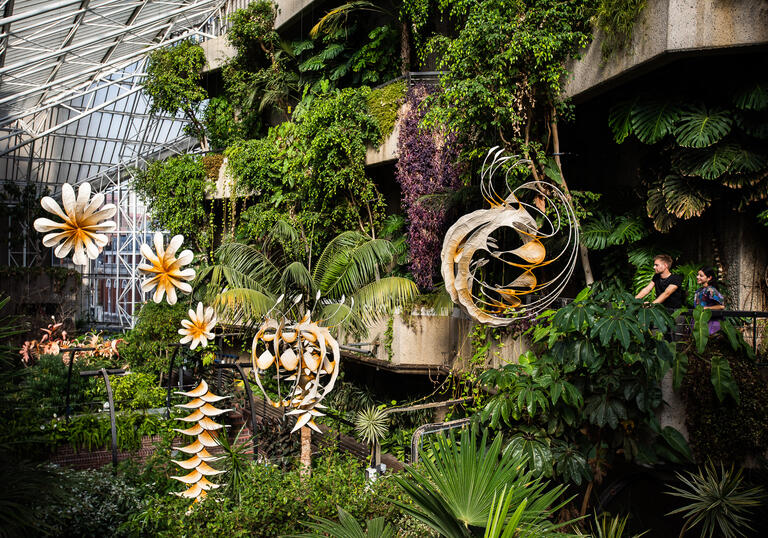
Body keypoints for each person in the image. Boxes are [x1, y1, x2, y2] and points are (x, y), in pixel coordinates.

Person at [694, 266, 725, 334]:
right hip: (701, 322)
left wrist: (706, 308)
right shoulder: (699, 290)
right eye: (698, 275)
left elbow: (721, 306)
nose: (697, 277)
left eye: (701, 276)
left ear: (709, 278)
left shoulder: (711, 290)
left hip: (711, 324)